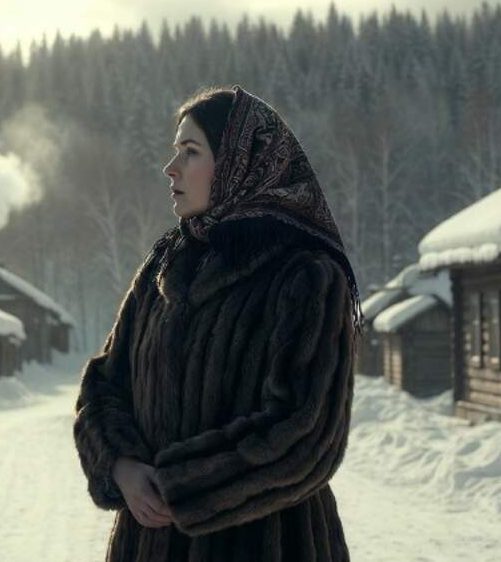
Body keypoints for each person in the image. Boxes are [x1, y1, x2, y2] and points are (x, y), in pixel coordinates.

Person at [73, 84, 363, 561]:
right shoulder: (164, 266)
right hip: (149, 545)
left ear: (238, 163)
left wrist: (183, 487)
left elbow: (307, 432)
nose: (171, 168)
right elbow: (105, 383)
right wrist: (120, 464)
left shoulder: (306, 276)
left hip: (268, 544)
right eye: (175, 151)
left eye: (190, 151)